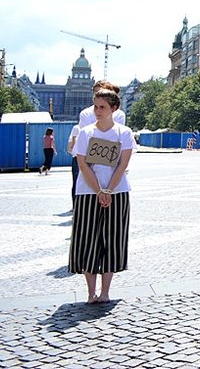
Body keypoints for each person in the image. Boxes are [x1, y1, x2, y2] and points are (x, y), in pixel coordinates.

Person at [69, 88, 135, 304]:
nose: (97, 111)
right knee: (87, 239)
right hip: (88, 192)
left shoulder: (124, 133)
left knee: (113, 240)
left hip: (117, 191)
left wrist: (108, 189)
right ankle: (91, 292)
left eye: (102, 107)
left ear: (114, 109)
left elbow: (123, 163)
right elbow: (82, 164)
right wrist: (99, 190)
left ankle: (105, 291)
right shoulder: (85, 132)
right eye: (95, 106)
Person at [68, 123, 81, 206]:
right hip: (85, 158)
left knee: (76, 182)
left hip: (77, 158)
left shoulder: (77, 128)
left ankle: (76, 206)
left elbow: (70, 147)